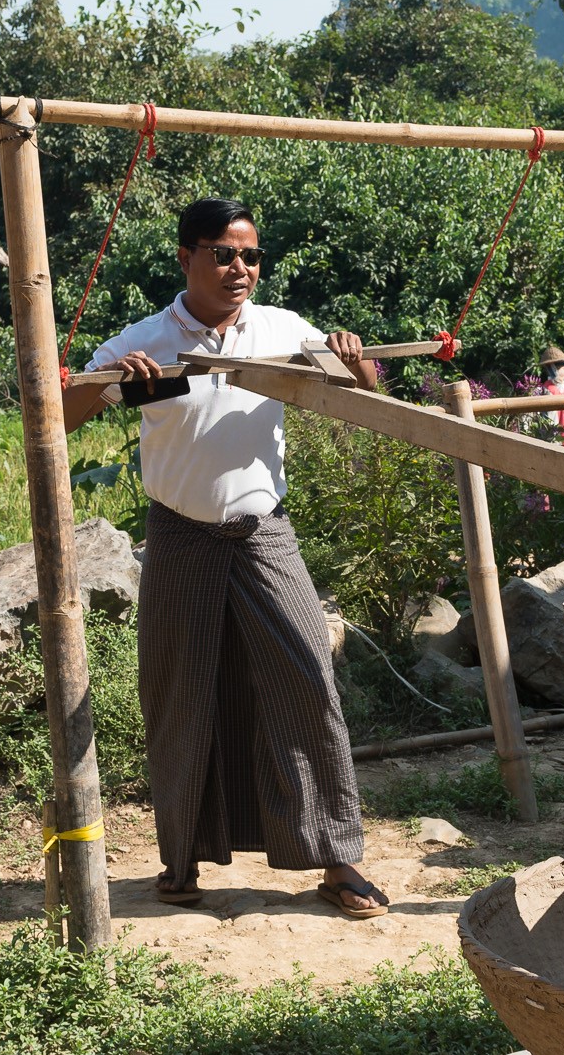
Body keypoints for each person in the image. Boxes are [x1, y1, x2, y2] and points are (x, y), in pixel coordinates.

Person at [65, 196, 389, 915]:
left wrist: (354, 360)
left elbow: (369, 395)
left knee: (309, 684)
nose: (239, 267)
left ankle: (338, 864)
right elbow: (57, 411)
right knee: (180, 695)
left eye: (250, 255)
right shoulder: (145, 337)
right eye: (223, 253)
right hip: (180, 534)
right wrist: (120, 383)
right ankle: (180, 863)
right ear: (186, 259)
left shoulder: (283, 330)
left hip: (264, 531)